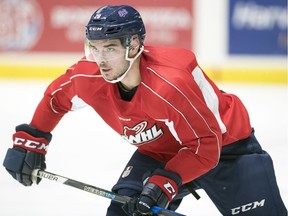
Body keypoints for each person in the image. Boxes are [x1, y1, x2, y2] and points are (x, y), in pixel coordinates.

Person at [3, 5, 287, 216]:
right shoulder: (87, 75)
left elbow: (205, 145)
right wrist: (33, 140)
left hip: (226, 148)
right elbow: (55, 99)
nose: (100, 59)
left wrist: (166, 181)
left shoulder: (170, 85)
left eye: (110, 48)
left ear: (134, 45)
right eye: (95, 48)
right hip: (160, 151)